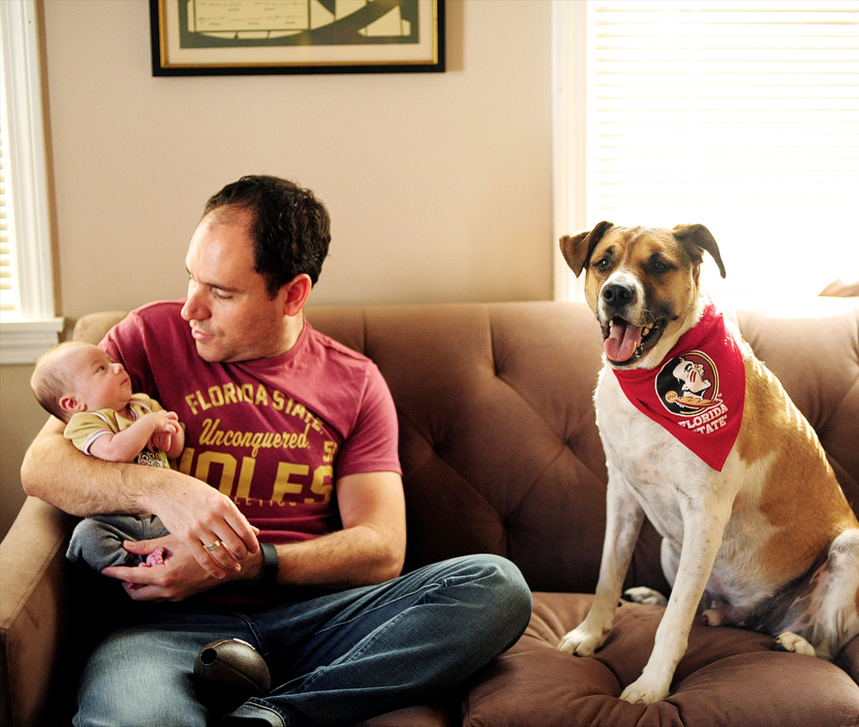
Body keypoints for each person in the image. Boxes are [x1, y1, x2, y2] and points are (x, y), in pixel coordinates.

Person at [21, 175, 533, 727]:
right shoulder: (146, 338)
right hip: (166, 627)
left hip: (315, 622)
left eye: (220, 292)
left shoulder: (355, 383)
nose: (191, 308)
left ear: (293, 293)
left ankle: (274, 716)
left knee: (495, 586)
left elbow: (382, 547)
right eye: (191, 278)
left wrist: (240, 565)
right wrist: (164, 486)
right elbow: (42, 467)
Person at [30, 341, 183, 574]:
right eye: (101, 368)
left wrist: (171, 428)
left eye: (111, 361)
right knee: (87, 536)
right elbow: (114, 452)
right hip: (115, 520)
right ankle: (134, 569)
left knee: (196, 531)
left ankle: (160, 564)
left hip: (163, 512)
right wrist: (151, 423)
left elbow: (174, 451)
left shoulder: (143, 404)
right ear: (73, 403)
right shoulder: (84, 423)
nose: (118, 366)